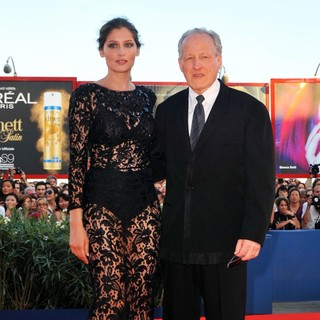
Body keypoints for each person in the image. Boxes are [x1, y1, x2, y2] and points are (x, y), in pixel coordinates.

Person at [154, 28, 275, 320]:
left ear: (219, 59)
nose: (197, 65)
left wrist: (253, 232)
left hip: (228, 244)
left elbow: (262, 177)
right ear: (180, 63)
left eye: (205, 56)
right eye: (190, 58)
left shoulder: (250, 110)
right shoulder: (166, 111)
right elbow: (157, 163)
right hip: (177, 243)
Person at [68, 17, 161, 320]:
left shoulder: (148, 96)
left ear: (137, 50)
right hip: (101, 203)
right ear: (102, 51)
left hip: (145, 204)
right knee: (110, 300)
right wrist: (75, 224)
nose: (121, 51)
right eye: (113, 45)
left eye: (128, 44)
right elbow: (78, 160)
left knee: (142, 301)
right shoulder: (86, 96)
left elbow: (155, 153)